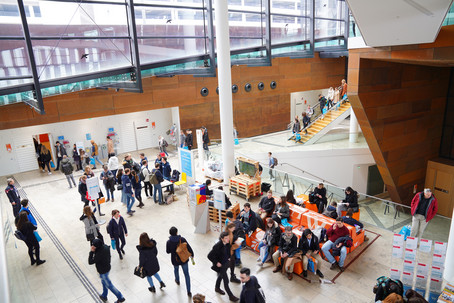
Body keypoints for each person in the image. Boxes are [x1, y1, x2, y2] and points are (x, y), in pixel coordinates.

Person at [88, 238, 125, 303]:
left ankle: (120, 297)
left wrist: (91, 252)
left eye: (94, 246)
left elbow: (90, 262)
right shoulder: (105, 247)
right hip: (107, 267)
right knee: (104, 282)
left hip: (103, 271)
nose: (92, 247)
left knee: (109, 285)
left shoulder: (99, 254)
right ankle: (104, 295)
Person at [207, 231, 239, 302]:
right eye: (226, 238)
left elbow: (228, 252)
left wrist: (229, 257)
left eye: (228, 238)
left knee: (220, 276)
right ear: (222, 239)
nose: (228, 239)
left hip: (225, 264)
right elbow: (209, 256)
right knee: (226, 281)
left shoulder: (227, 244)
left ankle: (217, 288)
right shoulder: (217, 246)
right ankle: (231, 296)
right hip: (220, 266)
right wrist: (216, 262)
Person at [166, 226, 194, 297]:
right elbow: (188, 247)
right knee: (186, 274)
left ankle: (177, 280)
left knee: (176, 269)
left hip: (175, 260)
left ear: (170, 234)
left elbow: (168, 251)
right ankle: (188, 291)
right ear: (177, 232)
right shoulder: (182, 239)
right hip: (184, 259)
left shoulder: (169, 242)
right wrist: (192, 254)